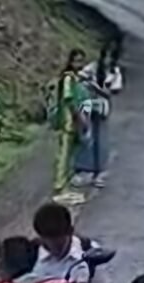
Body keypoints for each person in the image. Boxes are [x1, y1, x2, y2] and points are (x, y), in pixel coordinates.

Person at [73, 43, 119, 188]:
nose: (106, 60)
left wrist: (95, 88)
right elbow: (79, 77)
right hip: (88, 103)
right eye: (105, 57)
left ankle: (99, 172)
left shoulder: (114, 72)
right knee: (86, 136)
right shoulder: (92, 67)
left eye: (110, 57)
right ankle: (83, 170)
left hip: (102, 106)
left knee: (101, 140)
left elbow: (111, 92)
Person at [50, 48, 91, 196]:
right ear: (71, 62)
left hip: (73, 122)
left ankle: (65, 182)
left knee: (70, 155)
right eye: (77, 61)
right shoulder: (68, 78)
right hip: (68, 121)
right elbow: (69, 100)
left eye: (82, 61)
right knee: (64, 155)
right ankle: (60, 184)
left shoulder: (76, 78)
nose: (80, 64)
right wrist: (79, 117)